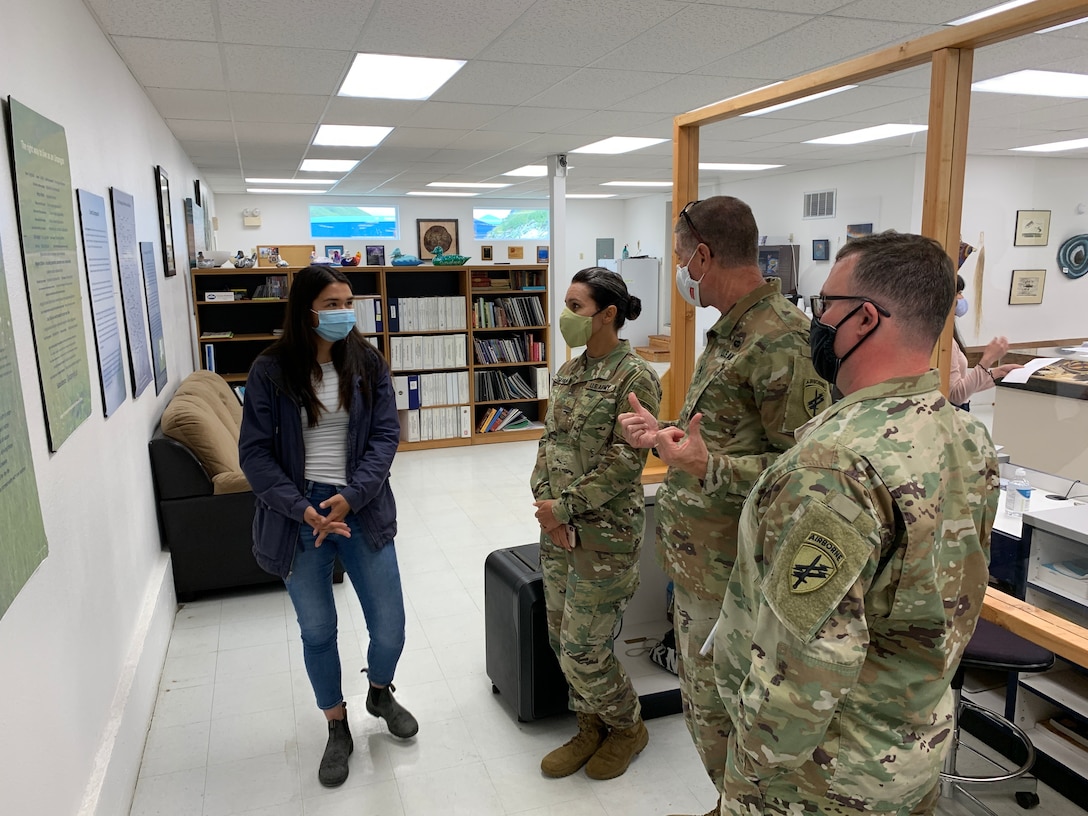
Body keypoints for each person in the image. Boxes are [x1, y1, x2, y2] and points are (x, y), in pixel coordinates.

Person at [712, 231, 999, 816]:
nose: (814, 321)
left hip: (821, 778)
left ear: (865, 319)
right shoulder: (965, 435)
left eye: (824, 307)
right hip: (912, 750)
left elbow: (808, 657)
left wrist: (752, 770)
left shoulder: (835, 464)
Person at [618, 196, 830, 806]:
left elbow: (807, 475)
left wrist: (707, 465)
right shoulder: (731, 330)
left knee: (729, 722)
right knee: (707, 714)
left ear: (704, 256)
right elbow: (724, 434)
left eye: (683, 257)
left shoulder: (782, 339)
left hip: (739, 579)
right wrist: (665, 435)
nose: (681, 271)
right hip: (700, 569)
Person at [238, 265, 417, 789]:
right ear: (305, 310)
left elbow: (386, 435)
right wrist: (303, 508)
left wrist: (352, 495)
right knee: (318, 631)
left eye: (347, 302)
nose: (343, 313)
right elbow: (255, 454)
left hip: (360, 504)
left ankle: (379, 692)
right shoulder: (270, 371)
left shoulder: (367, 362)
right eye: (332, 304)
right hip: (299, 515)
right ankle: (337, 727)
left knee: (390, 623)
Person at [531, 267, 662, 780]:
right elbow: (548, 445)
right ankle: (590, 725)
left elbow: (626, 462)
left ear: (608, 314)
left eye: (576, 307)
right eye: (566, 304)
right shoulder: (568, 372)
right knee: (560, 637)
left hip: (604, 538)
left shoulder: (635, 377)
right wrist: (546, 506)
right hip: (558, 531)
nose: (567, 316)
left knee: (587, 647)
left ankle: (629, 726)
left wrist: (562, 509)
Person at [949, 274, 1022, 409]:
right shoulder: (946, 343)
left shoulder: (949, 336)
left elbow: (964, 388)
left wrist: (997, 374)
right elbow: (956, 396)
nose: (962, 298)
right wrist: (987, 360)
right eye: (958, 293)